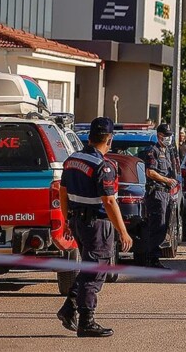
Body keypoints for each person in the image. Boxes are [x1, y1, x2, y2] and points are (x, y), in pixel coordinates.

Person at [56, 117, 134, 337]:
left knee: (88, 268)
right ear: (109, 139)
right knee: (95, 272)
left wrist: (66, 220)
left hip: (78, 221)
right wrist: (123, 231)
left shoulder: (72, 160)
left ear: (89, 136)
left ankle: (69, 308)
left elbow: (62, 193)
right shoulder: (103, 165)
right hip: (97, 225)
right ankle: (86, 322)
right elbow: (109, 201)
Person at [140, 123, 178, 268]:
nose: (168, 139)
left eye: (169, 136)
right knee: (157, 227)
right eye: (166, 136)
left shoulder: (167, 151)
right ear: (159, 136)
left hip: (166, 194)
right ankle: (152, 259)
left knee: (164, 226)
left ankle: (155, 257)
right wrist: (167, 180)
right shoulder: (153, 151)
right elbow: (150, 172)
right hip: (156, 193)